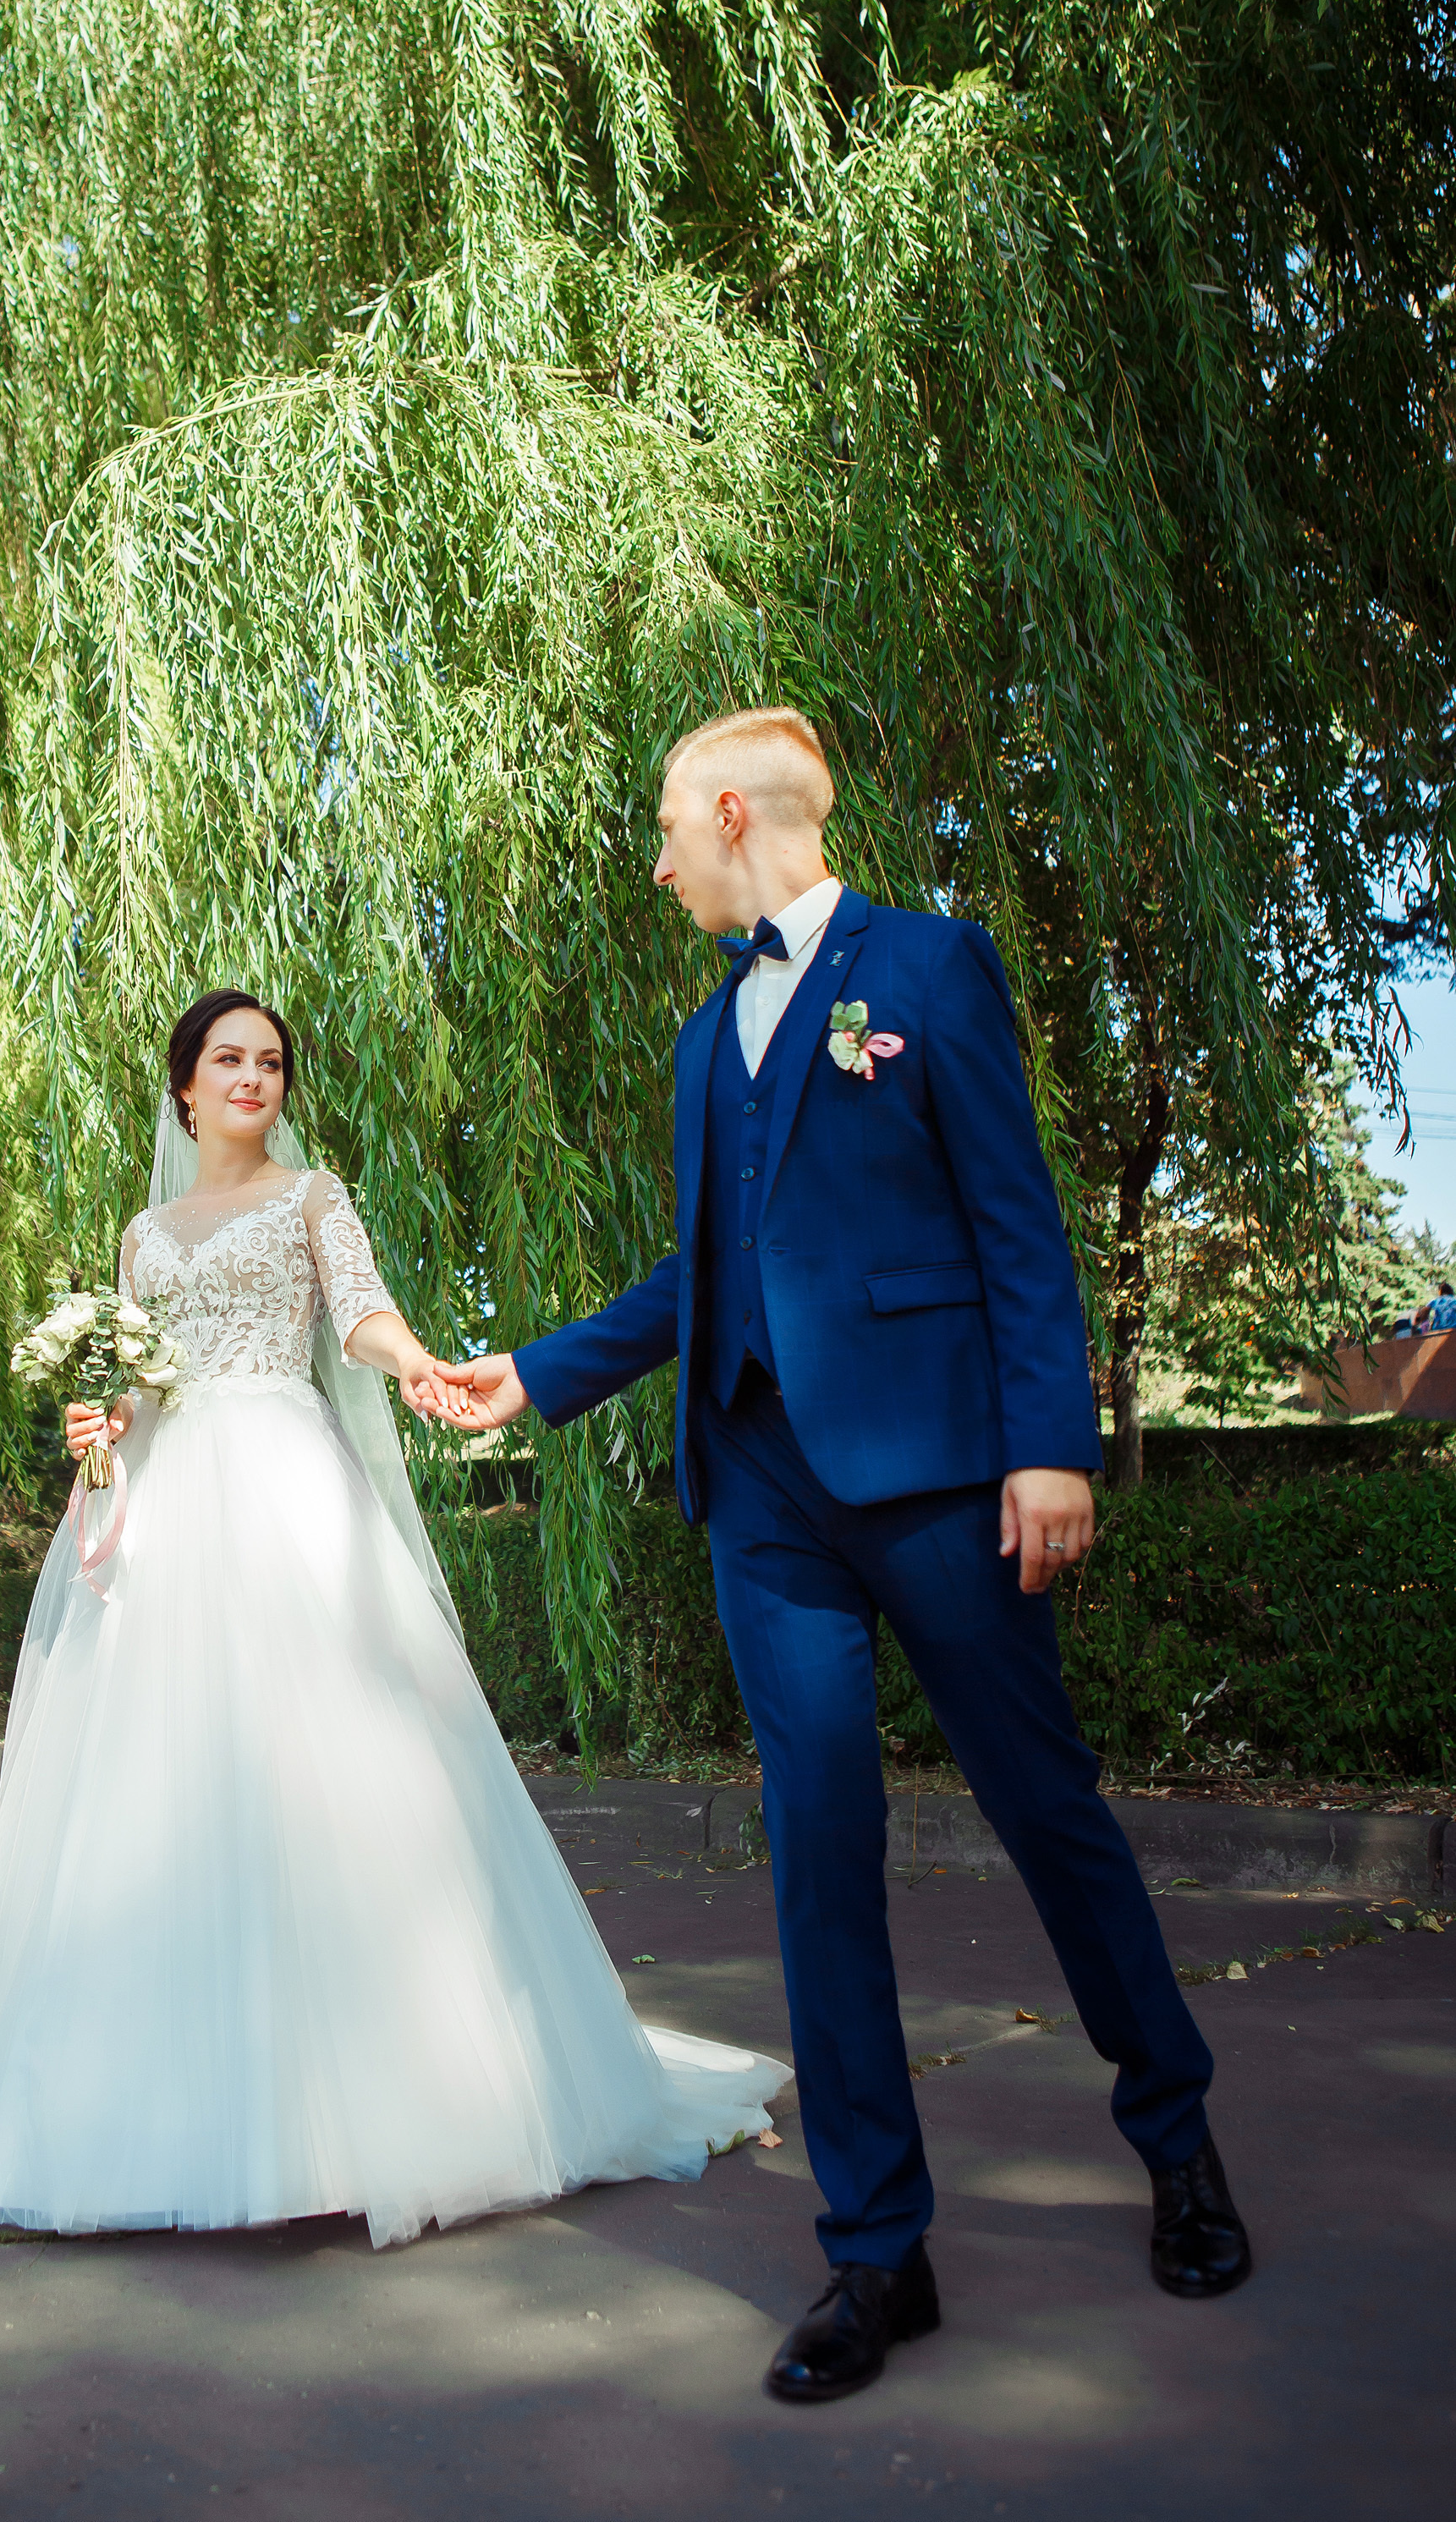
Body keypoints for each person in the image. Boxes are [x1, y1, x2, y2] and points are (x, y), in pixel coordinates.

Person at [431, 706, 1250, 2404]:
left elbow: (1010, 1215)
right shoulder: (697, 1039)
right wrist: (539, 1371)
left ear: (731, 811)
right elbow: (705, 1275)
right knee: (814, 1850)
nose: (653, 861)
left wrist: (1047, 1444)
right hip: (761, 1499)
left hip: (944, 1477)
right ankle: (874, 2247)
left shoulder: (927, 967)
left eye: (665, 826)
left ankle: (1173, 2136)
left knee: (1046, 1810)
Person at [0, 986, 786, 2246]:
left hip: (283, 1493)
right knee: (161, 1795)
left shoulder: (310, 1197)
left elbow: (362, 1314)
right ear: (182, 1085)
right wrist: (100, 1423)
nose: (251, 1076)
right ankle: (177, 2103)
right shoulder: (142, 1231)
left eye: (270, 1060)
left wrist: (420, 1365)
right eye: (227, 1058)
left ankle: (380, 2106)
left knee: (334, 1775)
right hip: (172, 1515)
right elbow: (142, 1383)